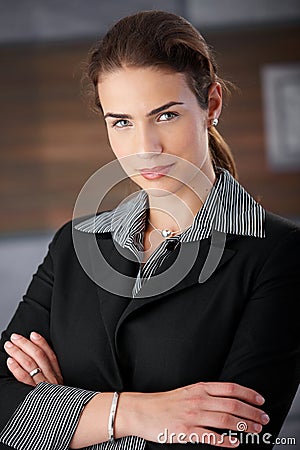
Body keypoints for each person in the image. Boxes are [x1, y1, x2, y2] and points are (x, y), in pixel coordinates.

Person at [0, 10, 299, 450]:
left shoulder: (279, 253)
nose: (145, 149)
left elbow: (235, 439)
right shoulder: (73, 246)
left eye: (165, 116)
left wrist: (64, 410)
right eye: (121, 121)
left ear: (211, 104)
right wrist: (138, 413)